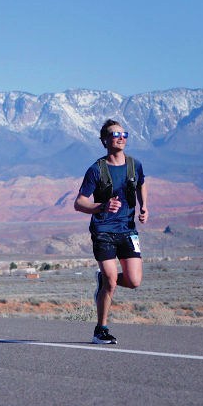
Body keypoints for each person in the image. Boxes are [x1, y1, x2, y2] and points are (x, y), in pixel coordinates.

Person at [74, 119, 148, 344]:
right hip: (104, 230)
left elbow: (141, 183)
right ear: (104, 140)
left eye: (124, 134)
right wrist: (102, 206)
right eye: (115, 134)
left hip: (127, 230)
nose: (120, 137)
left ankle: (104, 280)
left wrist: (144, 206)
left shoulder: (135, 165)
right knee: (111, 282)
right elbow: (79, 203)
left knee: (134, 281)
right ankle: (101, 330)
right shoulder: (96, 170)